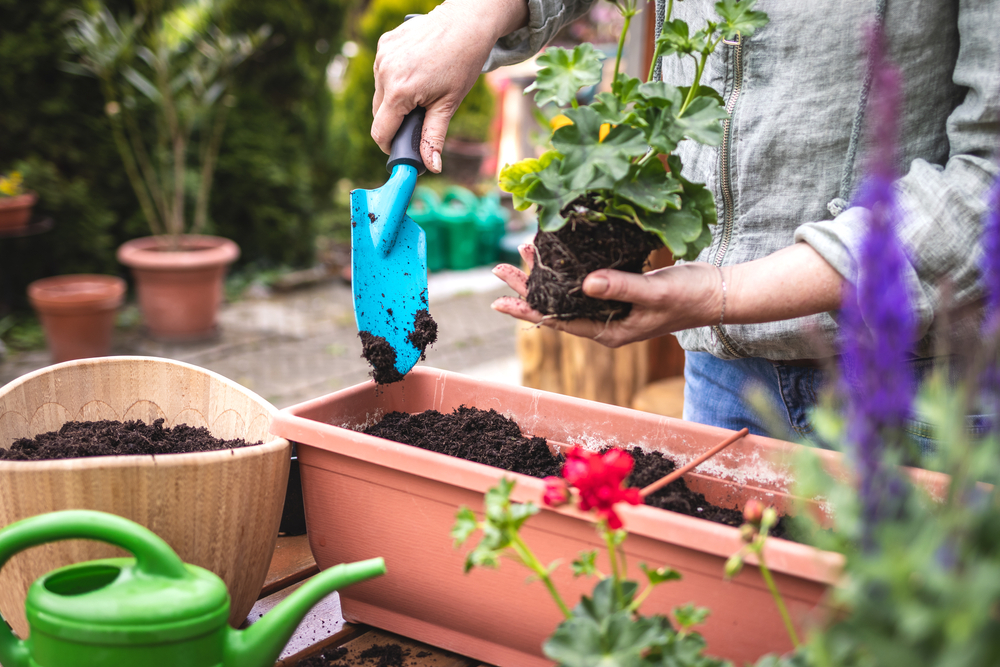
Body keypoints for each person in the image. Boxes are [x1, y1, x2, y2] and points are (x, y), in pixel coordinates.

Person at [372, 0, 1000, 444]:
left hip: (922, 387)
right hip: (721, 376)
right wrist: (473, 13)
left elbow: (987, 184)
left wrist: (722, 293)